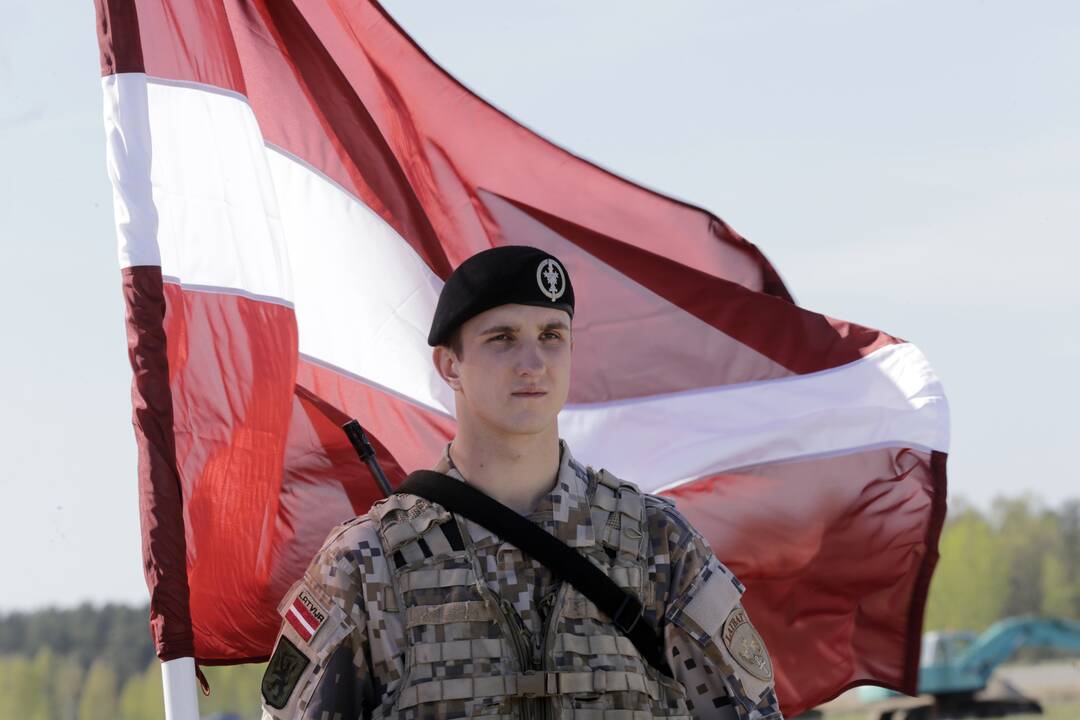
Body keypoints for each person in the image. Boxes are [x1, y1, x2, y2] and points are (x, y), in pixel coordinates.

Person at [260, 245, 784, 719]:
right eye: (502, 339)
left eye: (551, 337)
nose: (533, 363)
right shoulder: (367, 560)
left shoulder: (657, 544)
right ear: (450, 365)